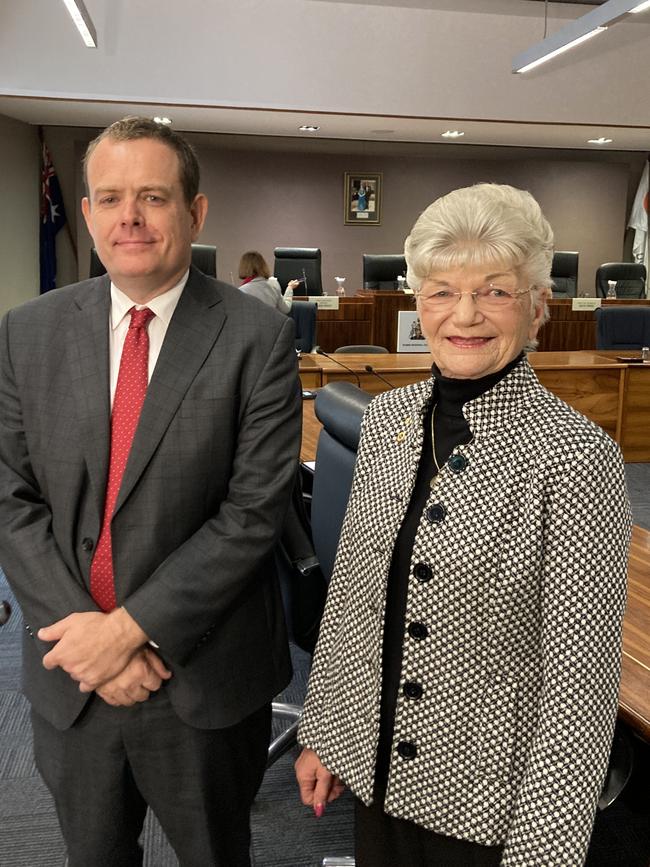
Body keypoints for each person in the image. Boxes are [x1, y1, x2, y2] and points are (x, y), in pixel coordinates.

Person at [295, 183, 631, 866]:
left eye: (496, 291)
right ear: (418, 303)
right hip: (375, 770)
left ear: (538, 306)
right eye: (443, 290)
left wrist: (544, 851)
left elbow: (580, 685)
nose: (466, 314)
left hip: (488, 811)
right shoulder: (387, 421)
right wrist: (325, 729)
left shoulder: (575, 456)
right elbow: (354, 601)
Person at [0, 116, 301, 867]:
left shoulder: (255, 336)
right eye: (108, 198)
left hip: (203, 676)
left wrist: (129, 628)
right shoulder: (26, 332)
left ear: (195, 213)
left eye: (152, 197)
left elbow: (253, 512)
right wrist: (90, 637)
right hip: (73, 672)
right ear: (90, 211)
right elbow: (11, 495)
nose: (128, 217)